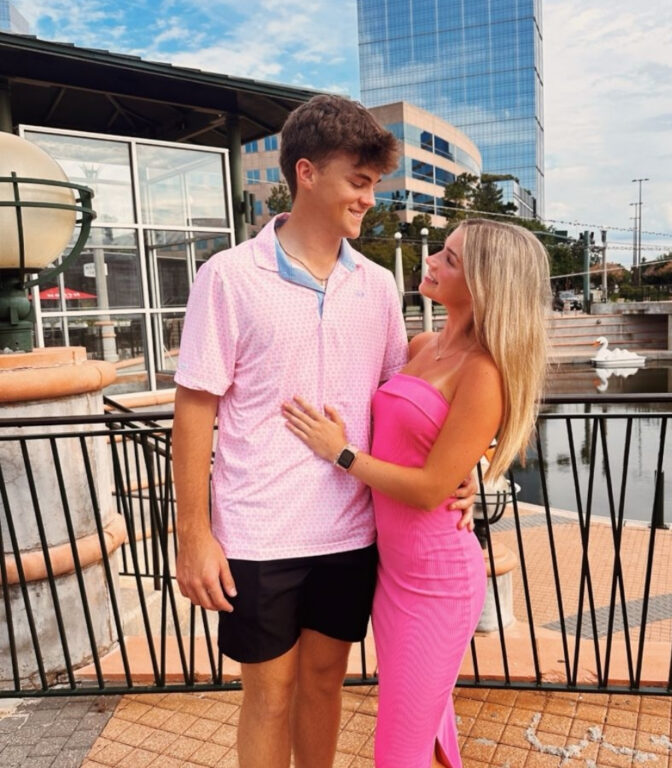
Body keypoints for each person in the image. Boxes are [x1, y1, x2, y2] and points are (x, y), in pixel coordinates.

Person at [171, 94, 476, 768]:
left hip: (352, 531)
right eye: (358, 182)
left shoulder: (376, 285)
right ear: (306, 173)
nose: (369, 199)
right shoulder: (228, 277)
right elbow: (193, 411)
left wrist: (466, 473)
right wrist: (193, 535)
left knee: (323, 683)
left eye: (373, 184)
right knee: (268, 695)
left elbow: (401, 402)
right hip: (258, 533)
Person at [283, 218, 551, 768]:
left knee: (397, 751)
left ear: (484, 284)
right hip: (393, 574)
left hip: (438, 583)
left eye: (449, 259)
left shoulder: (484, 371)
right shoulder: (424, 345)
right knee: (425, 732)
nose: (431, 261)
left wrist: (341, 453)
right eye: (441, 252)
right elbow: (413, 438)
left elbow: (429, 490)